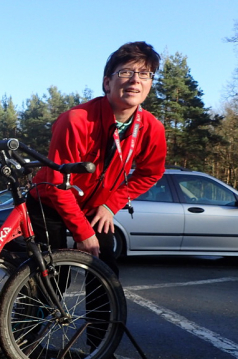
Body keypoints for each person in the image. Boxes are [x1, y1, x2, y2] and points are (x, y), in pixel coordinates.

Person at [27, 41, 167, 276]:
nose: (135, 80)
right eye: (125, 72)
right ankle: (29, 299)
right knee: (53, 278)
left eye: (144, 74)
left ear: (150, 84)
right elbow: (57, 183)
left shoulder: (152, 128)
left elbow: (150, 173)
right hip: (50, 202)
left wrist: (110, 205)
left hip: (95, 208)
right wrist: (82, 232)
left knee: (105, 272)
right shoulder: (75, 120)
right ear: (107, 83)